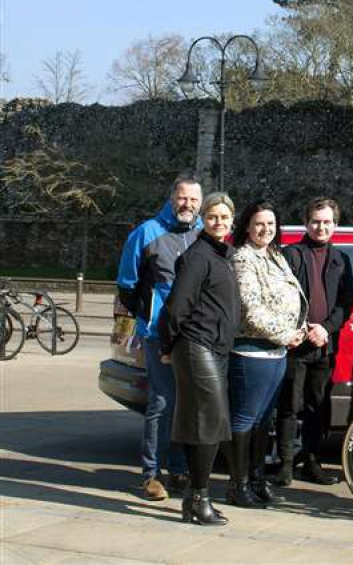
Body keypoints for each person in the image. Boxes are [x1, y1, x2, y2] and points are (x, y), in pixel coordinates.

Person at [117, 174, 201, 501]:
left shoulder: (200, 234)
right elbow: (127, 285)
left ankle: (178, 467)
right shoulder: (147, 233)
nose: (188, 205)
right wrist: (150, 317)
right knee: (162, 402)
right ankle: (151, 474)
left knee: (186, 403)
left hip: (193, 336)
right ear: (172, 198)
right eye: (183, 198)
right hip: (158, 335)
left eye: (194, 200)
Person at [159, 192, 239, 526]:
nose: (218, 223)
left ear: (232, 220)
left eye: (224, 217)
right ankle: (200, 498)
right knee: (209, 424)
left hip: (214, 347)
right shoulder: (198, 256)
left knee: (202, 424)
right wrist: (169, 346)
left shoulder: (223, 254)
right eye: (212, 217)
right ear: (202, 219)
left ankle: (194, 498)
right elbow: (177, 307)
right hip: (197, 345)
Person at [226, 200, 307, 508]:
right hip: (252, 352)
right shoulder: (244, 258)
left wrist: (301, 326)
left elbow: (291, 296)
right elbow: (250, 309)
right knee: (245, 418)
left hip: (277, 352)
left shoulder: (275, 254)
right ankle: (238, 484)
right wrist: (286, 334)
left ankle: (257, 480)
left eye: (271, 224)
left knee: (263, 420)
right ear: (247, 226)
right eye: (259, 224)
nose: (265, 229)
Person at [275, 197, 353, 486]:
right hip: (296, 344)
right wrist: (302, 326)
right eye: (316, 221)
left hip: (324, 345)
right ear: (307, 223)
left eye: (327, 222)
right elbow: (281, 299)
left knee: (318, 407)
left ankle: (312, 461)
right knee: (289, 405)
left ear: (335, 225)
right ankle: (284, 465)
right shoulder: (291, 255)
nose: (321, 227)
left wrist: (326, 328)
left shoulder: (341, 260)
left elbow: (346, 302)